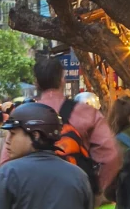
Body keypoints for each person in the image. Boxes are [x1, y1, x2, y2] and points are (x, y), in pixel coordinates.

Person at [32, 56, 120, 192]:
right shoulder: (87, 113)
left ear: (36, 82)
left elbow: (7, 161)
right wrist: (95, 191)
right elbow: (110, 156)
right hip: (75, 194)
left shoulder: (23, 117)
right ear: (62, 79)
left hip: (35, 195)